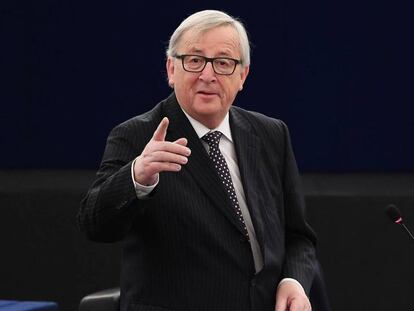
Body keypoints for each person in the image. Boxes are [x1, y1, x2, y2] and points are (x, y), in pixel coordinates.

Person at [78, 9, 317, 311]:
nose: (208, 75)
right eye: (194, 60)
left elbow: (298, 237)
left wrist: (292, 281)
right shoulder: (137, 135)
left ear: (242, 75)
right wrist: (136, 177)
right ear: (170, 69)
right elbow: (94, 224)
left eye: (223, 62)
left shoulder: (270, 134)